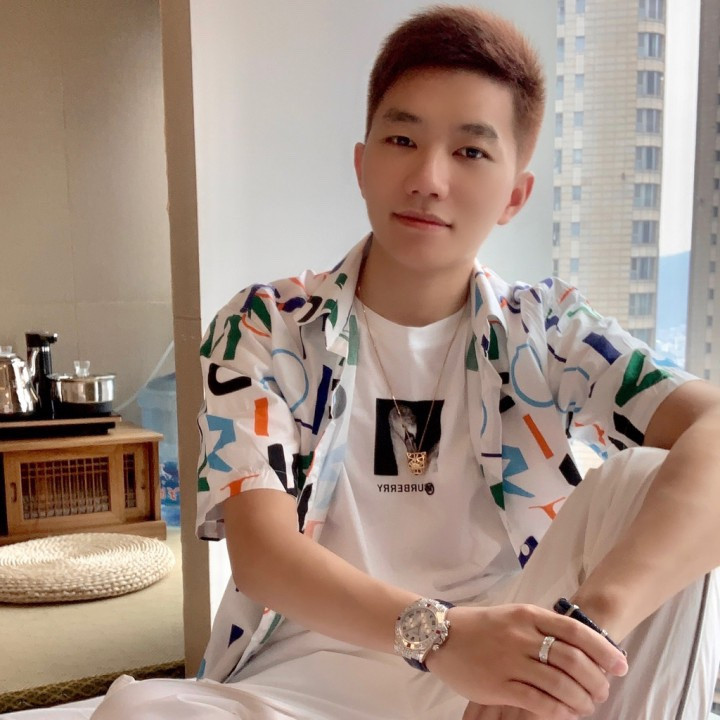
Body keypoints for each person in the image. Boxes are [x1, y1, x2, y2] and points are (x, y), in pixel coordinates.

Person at [90, 5, 720, 719]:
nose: (428, 177)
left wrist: (587, 626)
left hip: (500, 680)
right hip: (303, 688)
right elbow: (262, 554)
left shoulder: (548, 331)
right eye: (402, 138)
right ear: (362, 164)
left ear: (515, 195)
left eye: (471, 152)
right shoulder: (266, 325)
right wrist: (439, 636)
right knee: (135, 714)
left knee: (656, 479)